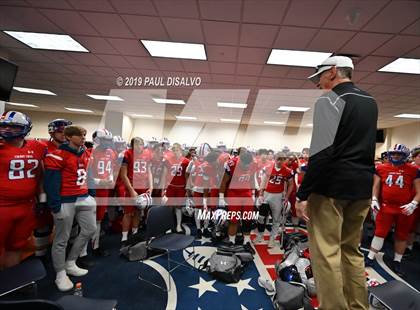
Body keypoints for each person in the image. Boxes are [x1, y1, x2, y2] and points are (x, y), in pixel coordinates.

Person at [295, 56, 378, 310]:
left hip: (331, 188)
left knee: (326, 255)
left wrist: (303, 194)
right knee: (351, 252)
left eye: (319, 76)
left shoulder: (329, 100)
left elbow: (322, 152)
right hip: (361, 188)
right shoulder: (370, 102)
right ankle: (358, 306)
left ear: (332, 72)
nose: (318, 83)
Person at [44, 125, 96, 291]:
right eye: (80, 135)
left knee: (90, 230)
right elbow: (51, 182)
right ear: (68, 137)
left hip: (84, 197)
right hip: (66, 200)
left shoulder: (86, 153)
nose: (83, 138)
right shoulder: (57, 155)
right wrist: (55, 205)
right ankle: (60, 273)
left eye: (84, 134)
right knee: (61, 239)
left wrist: (91, 194)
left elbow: (89, 176)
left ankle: (71, 262)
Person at [0, 111, 46, 269]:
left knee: (17, 246)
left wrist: (42, 197)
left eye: (14, 127)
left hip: (27, 206)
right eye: (5, 126)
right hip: (2, 206)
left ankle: (10, 283)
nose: (8, 130)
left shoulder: (38, 147)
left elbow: (40, 174)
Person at [366, 144, 419, 276]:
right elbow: (376, 186)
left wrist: (414, 203)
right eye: (394, 153)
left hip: (404, 207)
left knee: (402, 235)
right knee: (379, 232)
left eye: (399, 154)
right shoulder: (381, 168)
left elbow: (419, 190)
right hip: (386, 206)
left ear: (405, 155)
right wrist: (373, 199)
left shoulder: (413, 169)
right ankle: (370, 257)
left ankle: (397, 261)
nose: (395, 156)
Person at [119, 137, 153, 246]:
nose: (140, 146)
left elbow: (149, 171)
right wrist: (131, 190)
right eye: (137, 144)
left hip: (142, 185)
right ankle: (124, 238)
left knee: (139, 211)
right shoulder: (127, 154)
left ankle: (134, 233)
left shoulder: (147, 155)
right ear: (132, 145)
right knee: (128, 212)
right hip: (131, 186)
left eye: (141, 144)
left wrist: (151, 186)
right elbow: (123, 175)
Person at [256, 152, 294, 248]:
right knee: (261, 217)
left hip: (278, 196)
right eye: (278, 159)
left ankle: (272, 238)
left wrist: (287, 197)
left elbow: (291, 184)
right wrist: (260, 194)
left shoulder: (288, 171)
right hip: (266, 194)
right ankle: (260, 236)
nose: (280, 161)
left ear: (285, 160)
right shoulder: (268, 167)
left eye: (282, 159)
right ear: (275, 158)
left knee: (276, 219)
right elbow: (263, 181)